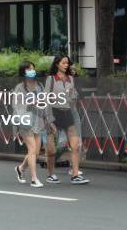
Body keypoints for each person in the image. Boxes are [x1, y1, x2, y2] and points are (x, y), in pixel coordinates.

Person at [44, 54, 89, 185]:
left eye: (67, 63)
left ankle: (75, 174)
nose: (66, 65)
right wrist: (49, 119)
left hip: (67, 112)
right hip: (54, 112)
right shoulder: (51, 79)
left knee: (75, 146)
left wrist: (72, 94)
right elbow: (46, 100)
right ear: (57, 64)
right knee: (51, 150)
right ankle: (51, 174)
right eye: (63, 63)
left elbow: (73, 97)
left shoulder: (71, 79)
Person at [13, 61, 50, 188]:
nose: (32, 70)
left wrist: (48, 118)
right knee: (32, 149)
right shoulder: (20, 88)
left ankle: (21, 168)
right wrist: (31, 103)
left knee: (36, 151)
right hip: (25, 121)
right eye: (29, 69)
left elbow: (45, 102)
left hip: (38, 121)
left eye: (33, 68)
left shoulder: (39, 85)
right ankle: (34, 178)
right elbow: (17, 106)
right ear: (24, 72)